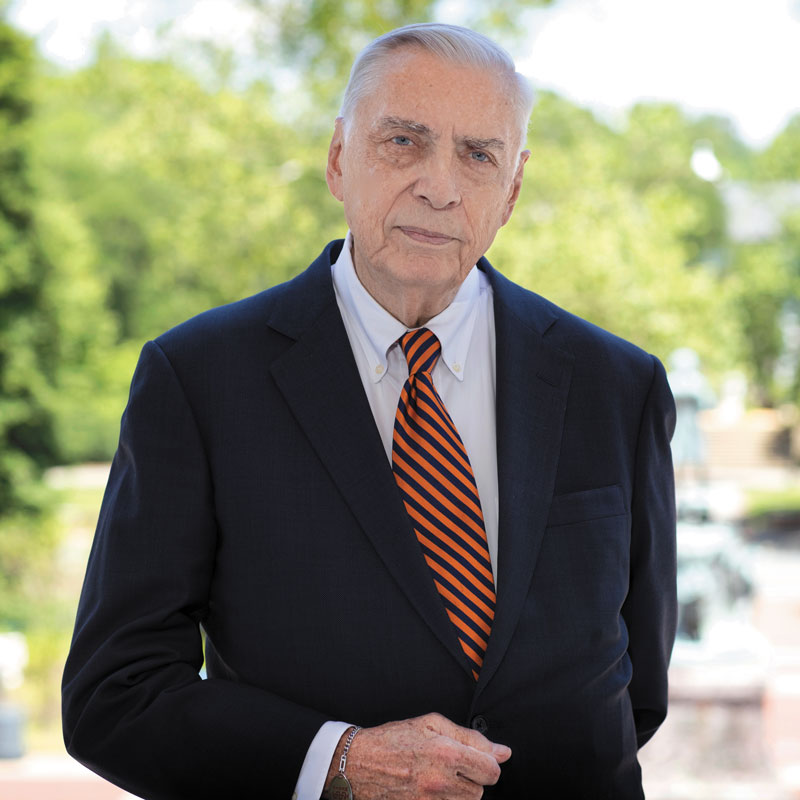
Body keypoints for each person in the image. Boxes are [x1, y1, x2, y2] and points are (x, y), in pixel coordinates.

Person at [62, 22, 677, 800]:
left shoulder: (618, 385)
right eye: (403, 142)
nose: (440, 186)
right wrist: (339, 761)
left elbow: (634, 692)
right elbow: (116, 695)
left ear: (512, 190)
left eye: (477, 155)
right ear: (337, 158)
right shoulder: (198, 379)